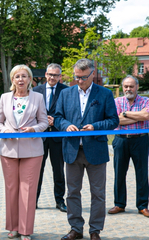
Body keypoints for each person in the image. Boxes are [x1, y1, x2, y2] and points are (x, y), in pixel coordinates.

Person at [54, 58, 119, 240]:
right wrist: (66, 125)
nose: (79, 81)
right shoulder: (66, 94)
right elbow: (57, 117)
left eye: (83, 77)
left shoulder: (104, 94)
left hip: (96, 151)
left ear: (93, 74)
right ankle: (76, 228)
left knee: (98, 194)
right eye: (76, 77)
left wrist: (95, 126)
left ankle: (95, 230)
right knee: (72, 192)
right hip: (72, 151)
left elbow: (113, 120)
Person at [0, 64, 48, 240]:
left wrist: (34, 129)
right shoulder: (4, 98)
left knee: (28, 190)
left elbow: (44, 122)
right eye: (17, 76)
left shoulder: (38, 98)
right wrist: (4, 131)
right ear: (12, 79)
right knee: (11, 189)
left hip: (32, 150)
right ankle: (13, 227)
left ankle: (25, 230)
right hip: (8, 150)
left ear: (30, 79)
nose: (21, 79)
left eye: (24, 76)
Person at [109, 75, 149, 217]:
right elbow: (116, 120)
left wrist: (125, 114)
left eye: (131, 86)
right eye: (126, 86)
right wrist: (136, 116)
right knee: (119, 173)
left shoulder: (146, 101)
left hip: (141, 140)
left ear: (137, 87)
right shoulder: (116, 101)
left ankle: (143, 205)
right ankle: (119, 204)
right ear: (122, 87)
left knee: (142, 173)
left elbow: (146, 116)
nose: (128, 89)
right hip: (121, 140)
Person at [33, 63, 68, 212]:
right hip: (39, 137)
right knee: (36, 170)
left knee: (58, 170)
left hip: (57, 137)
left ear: (60, 77)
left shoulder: (66, 91)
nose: (52, 77)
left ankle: (59, 201)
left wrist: (56, 121)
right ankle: (33, 200)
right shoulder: (35, 91)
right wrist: (41, 121)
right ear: (46, 74)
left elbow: (69, 112)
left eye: (56, 75)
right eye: (50, 74)